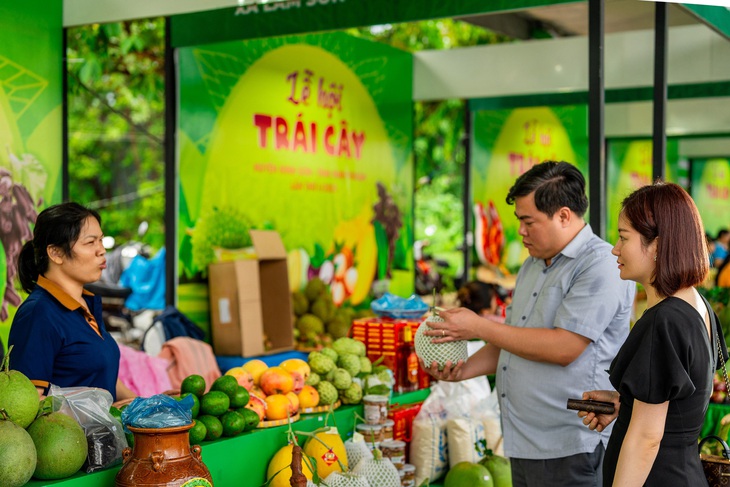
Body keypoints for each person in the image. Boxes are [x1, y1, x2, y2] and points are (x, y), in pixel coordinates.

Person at [421, 161, 635, 487]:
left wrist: (478, 326)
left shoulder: (600, 265)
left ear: (563, 216)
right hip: (522, 442)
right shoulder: (532, 265)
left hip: (568, 444)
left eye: (528, 221)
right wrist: (462, 370)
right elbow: (513, 339)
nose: (520, 231)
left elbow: (564, 347)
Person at [578, 182, 723, 486]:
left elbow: (646, 439)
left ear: (657, 245)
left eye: (623, 237)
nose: (615, 248)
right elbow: (679, 401)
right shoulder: (697, 305)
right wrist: (627, 402)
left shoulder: (664, 320)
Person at [8, 202, 136, 404]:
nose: (101, 250)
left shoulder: (86, 303)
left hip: (105, 434)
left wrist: (143, 406)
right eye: (90, 242)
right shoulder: (38, 313)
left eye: (101, 241)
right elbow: (29, 402)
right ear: (56, 253)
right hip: (68, 435)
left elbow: (103, 375)